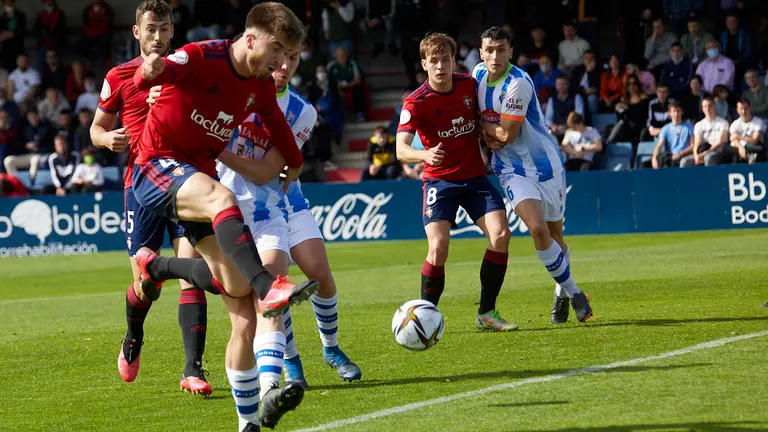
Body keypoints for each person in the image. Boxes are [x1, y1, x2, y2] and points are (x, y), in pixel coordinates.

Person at [129, 3, 315, 430]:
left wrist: (296, 160)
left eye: (288, 54)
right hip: (156, 165)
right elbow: (154, 73)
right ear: (250, 38)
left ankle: (247, 423)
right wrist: (148, 71)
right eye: (276, 49)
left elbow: (278, 127)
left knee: (241, 303)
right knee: (222, 199)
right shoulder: (201, 55)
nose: (281, 62)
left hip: (197, 178)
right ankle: (269, 285)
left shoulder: (260, 87)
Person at [212, 45, 362, 389]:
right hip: (236, 203)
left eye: (293, 58)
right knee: (274, 283)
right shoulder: (234, 93)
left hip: (284, 200)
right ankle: (291, 363)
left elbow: (272, 170)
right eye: (279, 57)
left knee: (318, 271)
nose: (284, 65)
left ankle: (331, 349)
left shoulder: (302, 111)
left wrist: (218, 149)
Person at [89, 0, 214, 397]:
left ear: (173, 30)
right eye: (151, 28)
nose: (158, 36)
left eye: (164, 28)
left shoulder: (187, 70)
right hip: (140, 185)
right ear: (137, 32)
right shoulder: (119, 76)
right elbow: (96, 128)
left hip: (183, 181)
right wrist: (107, 139)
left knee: (192, 272)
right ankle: (133, 334)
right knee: (148, 286)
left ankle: (192, 369)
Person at [396, 32, 517, 332]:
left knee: (501, 235)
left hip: (475, 179)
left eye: (445, 59)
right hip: (440, 183)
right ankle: (426, 317)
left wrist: (491, 133)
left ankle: (486, 312)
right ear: (424, 64)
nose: (440, 66)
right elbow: (400, 149)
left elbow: (486, 115)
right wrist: (424, 155)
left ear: (453, 61)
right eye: (434, 61)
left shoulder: (469, 86)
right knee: (438, 247)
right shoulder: (415, 102)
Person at [472, 26, 592, 324]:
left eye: (501, 50)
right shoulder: (476, 76)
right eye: (490, 50)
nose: (495, 56)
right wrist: (489, 135)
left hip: (546, 166)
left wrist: (483, 129)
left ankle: (560, 294)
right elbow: (495, 134)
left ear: (510, 52)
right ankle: (575, 292)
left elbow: (507, 136)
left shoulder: (519, 83)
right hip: (511, 170)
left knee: (556, 236)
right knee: (538, 229)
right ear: (481, 53)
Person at [684, 96, 730, 167]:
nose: (707, 109)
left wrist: (705, 153)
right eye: (705, 106)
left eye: (710, 106)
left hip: (718, 151)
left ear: (714, 106)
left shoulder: (723, 123)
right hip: (703, 151)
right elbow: (696, 144)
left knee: (708, 158)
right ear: (702, 109)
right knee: (685, 161)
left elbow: (720, 142)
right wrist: (696, 155)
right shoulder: (699, 125)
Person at [649, 101, 694, 169]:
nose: (676, 114)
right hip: (671, 156)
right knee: (646, 164)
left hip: (685, 155)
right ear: (670, 113)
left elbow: (693, 145)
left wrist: (680, 154)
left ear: (682, 112)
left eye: (678, 111)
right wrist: (654, 158)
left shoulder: (689, 126)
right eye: (674, 111)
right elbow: (659, 146)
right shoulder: (666, 128)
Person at [730, 99, 766, 165]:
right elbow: (733, 139)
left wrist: (738, 136)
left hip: (753, 146)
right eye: (741, 109)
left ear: (750, 108)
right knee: (727, 149)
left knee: (759, 149)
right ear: (737, 110)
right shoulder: (735, 123)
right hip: (739, 147)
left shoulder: (759, 122)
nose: (743, 111)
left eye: (746, 108)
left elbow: (754, 140)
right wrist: (741, 147)